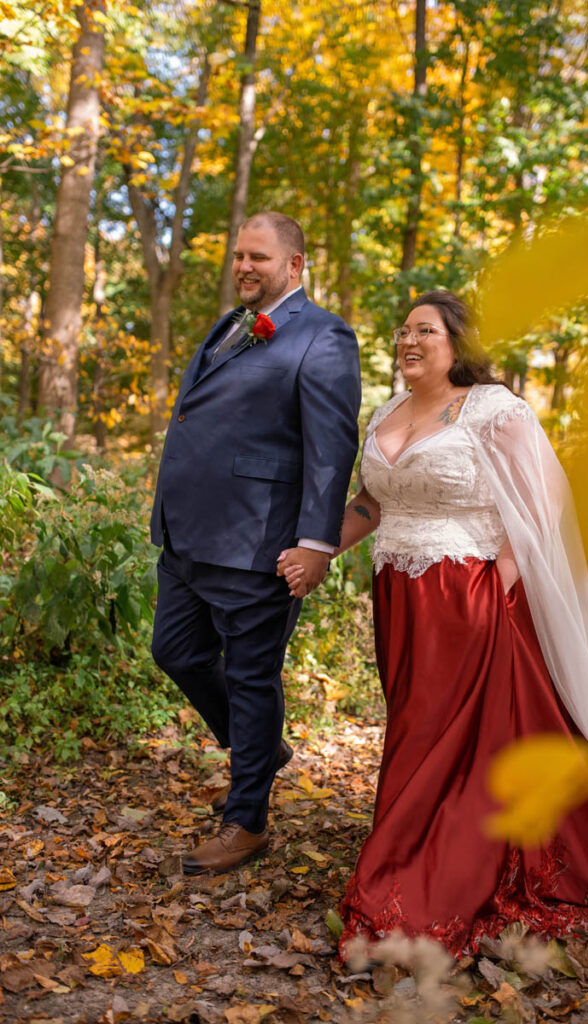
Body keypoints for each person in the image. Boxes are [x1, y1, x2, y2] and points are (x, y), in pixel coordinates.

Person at [279, 289, 588, 957]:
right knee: (415, 727)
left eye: (423, 331)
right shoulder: (385, 412)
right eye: (402, 331)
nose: (407, 341)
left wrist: (503, 577)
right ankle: (414, 837)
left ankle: (422, 867)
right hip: (400, 598)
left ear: (457, 344)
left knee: (454, 737)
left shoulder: (496, 410)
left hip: (468, 594)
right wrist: (317, 550)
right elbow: (374, 504)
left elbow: (545, 496)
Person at [150, 211, 361, 875]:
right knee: (175, 651)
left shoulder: (323, 336)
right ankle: (261, 751)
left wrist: (316, 543)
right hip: (187, 534)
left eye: (259, 258)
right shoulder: (231, 323)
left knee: (249, 677)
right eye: (239, 254)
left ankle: (246, 820)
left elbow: (331, 446)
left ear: (294, 266)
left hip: (256, 541)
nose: (245, 266)